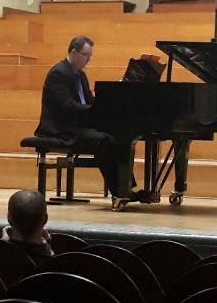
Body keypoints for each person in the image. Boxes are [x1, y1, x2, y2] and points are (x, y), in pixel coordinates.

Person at [34, 35, 144, 203]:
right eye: (86, 55)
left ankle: (126, 188)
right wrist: (94, 110)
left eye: (90, 56)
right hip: (60, 128)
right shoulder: (58, 73)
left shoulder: (80, 75)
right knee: (103, 140)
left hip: (75, 125)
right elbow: (66, 106)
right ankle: (118, 191)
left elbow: (89, 101)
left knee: (117, 137)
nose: (88, 60)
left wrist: (106, 105)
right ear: (73, 52)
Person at [2, 190, 53, 263]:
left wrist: (3, 246)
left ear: (9, 218)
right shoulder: (60, 263)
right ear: (45, 218)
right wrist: (48, 248)